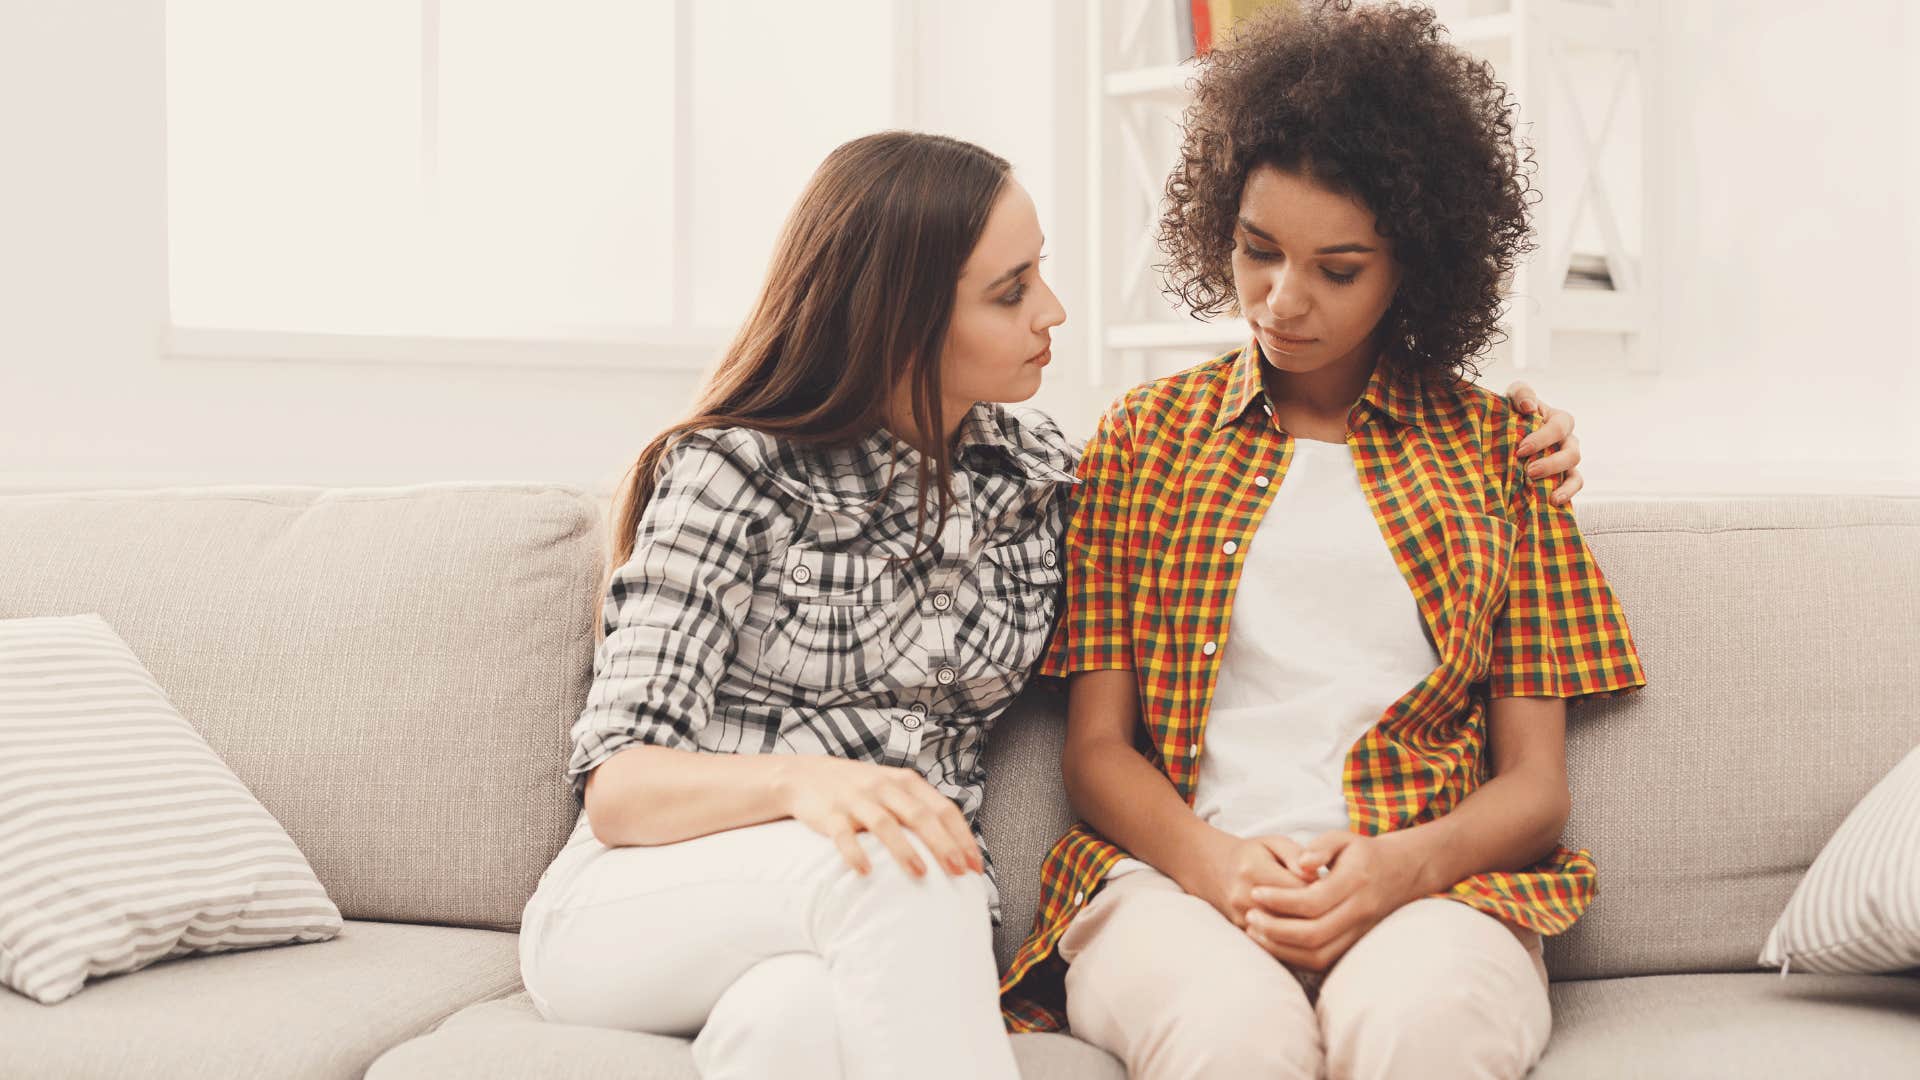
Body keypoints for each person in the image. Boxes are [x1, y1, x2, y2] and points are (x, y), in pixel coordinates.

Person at [517, 125, 1584, 1079]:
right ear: (898, 320)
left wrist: (1519, 430)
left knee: (788, 1027)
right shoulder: (732, 471)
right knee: (918, 867)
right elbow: (618, 786)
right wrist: (810, 785)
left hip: (858, 928)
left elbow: (1242, 526)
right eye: (1012, 289)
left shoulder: (1039, 476)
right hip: (654, 897)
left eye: (1040, 276)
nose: (1054, 312)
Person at [997, 4, 1647, 1078]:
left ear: (1417, 268)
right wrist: (1219, 869)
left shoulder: (1501, 453)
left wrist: (1397, 869)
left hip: (1433, 891)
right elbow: (1098, 753)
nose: (1282, 300)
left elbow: (1535, 788)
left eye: (1337, 270)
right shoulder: (1142, 441)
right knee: (1233, 1040)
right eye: (1259, 252)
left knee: (1419, 1032)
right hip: (1176, 884)